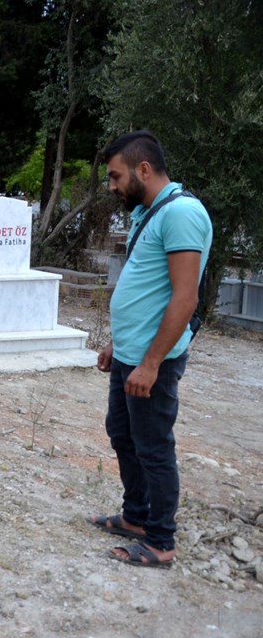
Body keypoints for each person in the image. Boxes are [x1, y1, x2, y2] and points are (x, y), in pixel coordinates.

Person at [88, 130, 211, 568]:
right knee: (122, 435)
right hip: (130, 354)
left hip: (151, 361)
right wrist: (118, 343)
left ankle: (160, 542)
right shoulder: (149, 211)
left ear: (143, 170)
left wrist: (152, 362)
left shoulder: (181, 214)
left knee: (153, 446)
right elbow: (145, 288)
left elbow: (184, 297)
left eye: (116, 176)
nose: (113, 186)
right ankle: (136, 518)